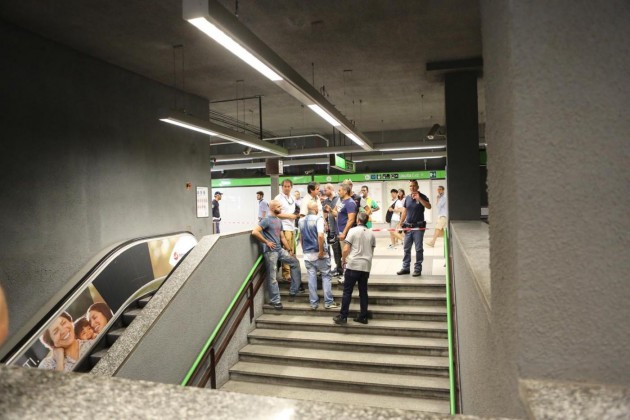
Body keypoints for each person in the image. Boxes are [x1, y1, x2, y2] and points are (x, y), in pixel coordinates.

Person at [252, 200, 302, 309]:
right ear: (273, 208)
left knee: (295, 262)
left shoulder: (279, 220)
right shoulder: (266, 220)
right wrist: (266, 242)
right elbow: (255, 232)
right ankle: (275, 300)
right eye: (279, 206)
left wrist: (289, 250)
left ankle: (294, 290)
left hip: (279, 250)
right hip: (271, 252)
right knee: (272, 276)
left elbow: (282, 237)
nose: (281, 208)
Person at [333, 212, 375, 325]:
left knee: (347, 291)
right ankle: (363, 317)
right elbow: (371, 251)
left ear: (357, 220)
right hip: (365, 266)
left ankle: (343, 316)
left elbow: (346, 248)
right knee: (363, 292)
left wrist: (343, 259)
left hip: (353, 265)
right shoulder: (371, 234)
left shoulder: (352, 231)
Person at [299, 201, 337, 310]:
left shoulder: (301, 220)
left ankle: (313, 303)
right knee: (326, 276)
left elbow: (301, 237)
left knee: (311, 278)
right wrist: (321, 251)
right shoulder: (318, 219)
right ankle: (328, 302)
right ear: (315, 209)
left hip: (307, 254)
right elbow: (320, 236)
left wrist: (304, 249)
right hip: (319, 253)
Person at [397, 180, 431, 277]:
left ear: (417, 187)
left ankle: (417, 269)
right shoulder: (407, 198)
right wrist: (400, 223)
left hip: (418, 228)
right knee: (406, 248)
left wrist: (419, 199)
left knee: (418, 249)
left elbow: (429, 206)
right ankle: (406, 268)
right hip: (408, 227)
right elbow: (404, 211)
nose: (412, 188)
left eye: (414, 186)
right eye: (410, 186)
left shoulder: (422, 196)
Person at [275, 179, 300, 282]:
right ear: (282, 187)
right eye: (285, 186)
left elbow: (296, 210)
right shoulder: (278, 198)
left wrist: (296, 215)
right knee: (286, 250)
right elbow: (276, 213)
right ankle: (286, 273)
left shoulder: (293, 197)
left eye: (288, 186)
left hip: (292, 227)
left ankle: (291, 271)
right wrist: (290, 216)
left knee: (292, 250)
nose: (287, 188)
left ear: (291, 187)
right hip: (284, 227)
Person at [332, 183, 357, 283]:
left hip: (345, 234)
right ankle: (347, 276)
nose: (338, 192)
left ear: (345, 191)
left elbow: (351, 220)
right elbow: (338, 214)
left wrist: (344, 233)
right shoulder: (342, 201)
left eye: (340, 190)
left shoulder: (350, 203)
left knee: (347, 255)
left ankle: (348, 277)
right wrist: (331, 211)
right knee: (344, 255)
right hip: (340, 232)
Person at [322, 183, 342, 276]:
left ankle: (342, 268)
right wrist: (325, 223)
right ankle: (338, 268)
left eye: (325, 190)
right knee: (335, 249)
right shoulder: (325, 201)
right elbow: (324, 213)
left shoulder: (338, 199)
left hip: (339, 228)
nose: (324, 192)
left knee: (341, 249)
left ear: (331, 189)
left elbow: (338, 213)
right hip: (331, 229)